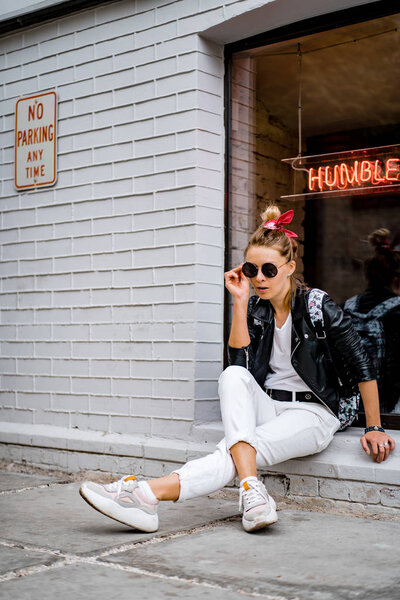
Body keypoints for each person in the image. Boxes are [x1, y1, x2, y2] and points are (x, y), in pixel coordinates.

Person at [79, 205, 395, 534]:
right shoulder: (256, 307)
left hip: (313, 413)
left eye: (269, 270)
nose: (259, 278)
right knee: (231, 377)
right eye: (251, 269)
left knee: (233, 450)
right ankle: (251, 492)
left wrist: (374, 425)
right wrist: (240, 302)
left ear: (289, 266)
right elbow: (240, 366)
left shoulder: (316, 305)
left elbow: (362, 363)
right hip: (268, 406)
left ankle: (145, 494)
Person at [344, 228, 400, 414]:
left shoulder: (346, 307)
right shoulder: (397, 310)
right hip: (386, 406)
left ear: (367, 274)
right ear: (395, 276)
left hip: (349, 402)